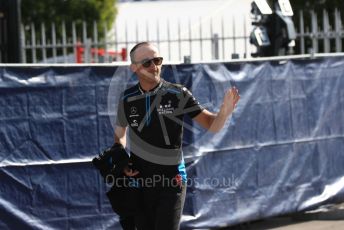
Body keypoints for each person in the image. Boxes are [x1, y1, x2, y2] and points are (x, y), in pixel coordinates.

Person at [114, 42, 240, 230]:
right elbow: (120, 136)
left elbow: (211, 125)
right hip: (140, 180)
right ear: (134, 68)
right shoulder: (127, 98)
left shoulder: (177, 93)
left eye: (157, 60)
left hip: (172, 179)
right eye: (147, 62)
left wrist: (224, 113)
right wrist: (122, 159)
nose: (154, 67)